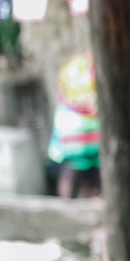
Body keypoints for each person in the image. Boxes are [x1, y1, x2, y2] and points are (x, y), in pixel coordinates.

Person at [46, 52, 101, 198]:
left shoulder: (81, 69)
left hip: (86, 147)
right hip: (79, 143)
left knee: (79, 176)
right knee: (76, 174)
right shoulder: (79, 70)